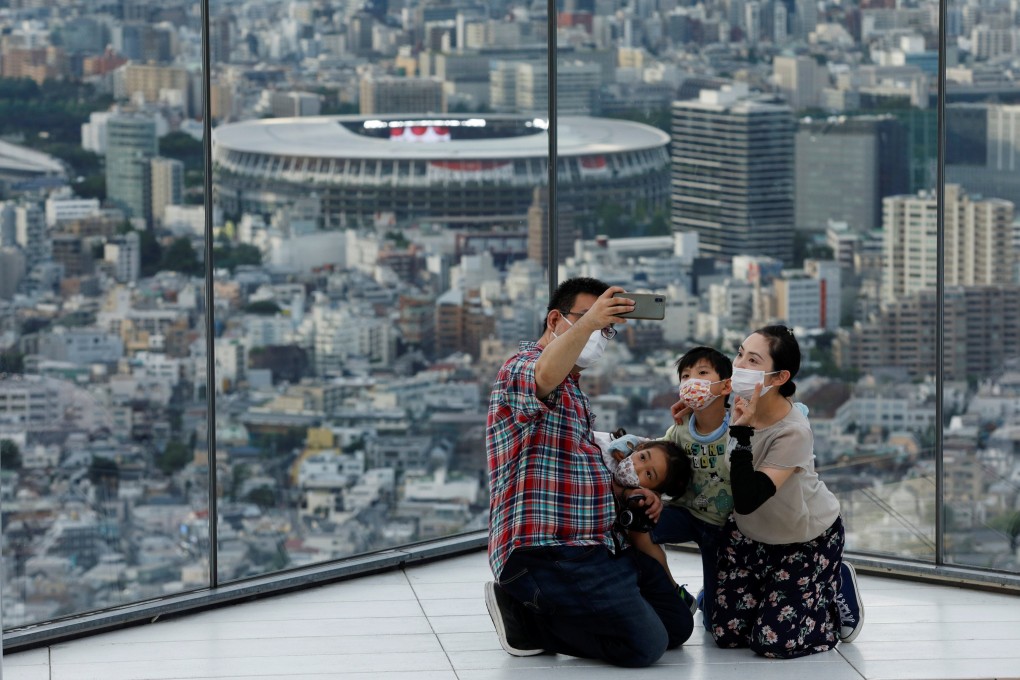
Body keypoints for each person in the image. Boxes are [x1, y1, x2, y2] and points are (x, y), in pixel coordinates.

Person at [484, 277, 694, 668]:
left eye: (606, 328)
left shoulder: (576, 393)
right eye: (592, 320)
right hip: (546, 550)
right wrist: (588, 324)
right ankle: (524, 616)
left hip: (596, 547)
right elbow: (543, 376)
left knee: (677, 625)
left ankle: (574, 608)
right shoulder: (520, 369)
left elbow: (577, 473)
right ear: (555, 320)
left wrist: (626, 495)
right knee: (646, 645)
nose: (600, 333)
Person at [711, 325, 863, 658]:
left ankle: (832, 593)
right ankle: (773, 591)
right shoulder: (738, 405)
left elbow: (749, 499)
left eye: (753, 360)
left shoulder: (792, 431)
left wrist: (741, 434)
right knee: (725, 634)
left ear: (779, 378)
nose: (740, 366)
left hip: (803, 539)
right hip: (749, 539)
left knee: (772, 643)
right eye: (739, 354)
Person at [628, 346, 734, 630]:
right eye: (685, 376)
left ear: (726, 385)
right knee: (639, 523)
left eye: (702, 373)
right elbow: (656, 453)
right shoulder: (680, 429)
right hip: (683, 511)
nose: (691, 381)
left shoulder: (738, 424)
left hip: (722, 525)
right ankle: (672, 590)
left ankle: (710, 598)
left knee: (715, 621)